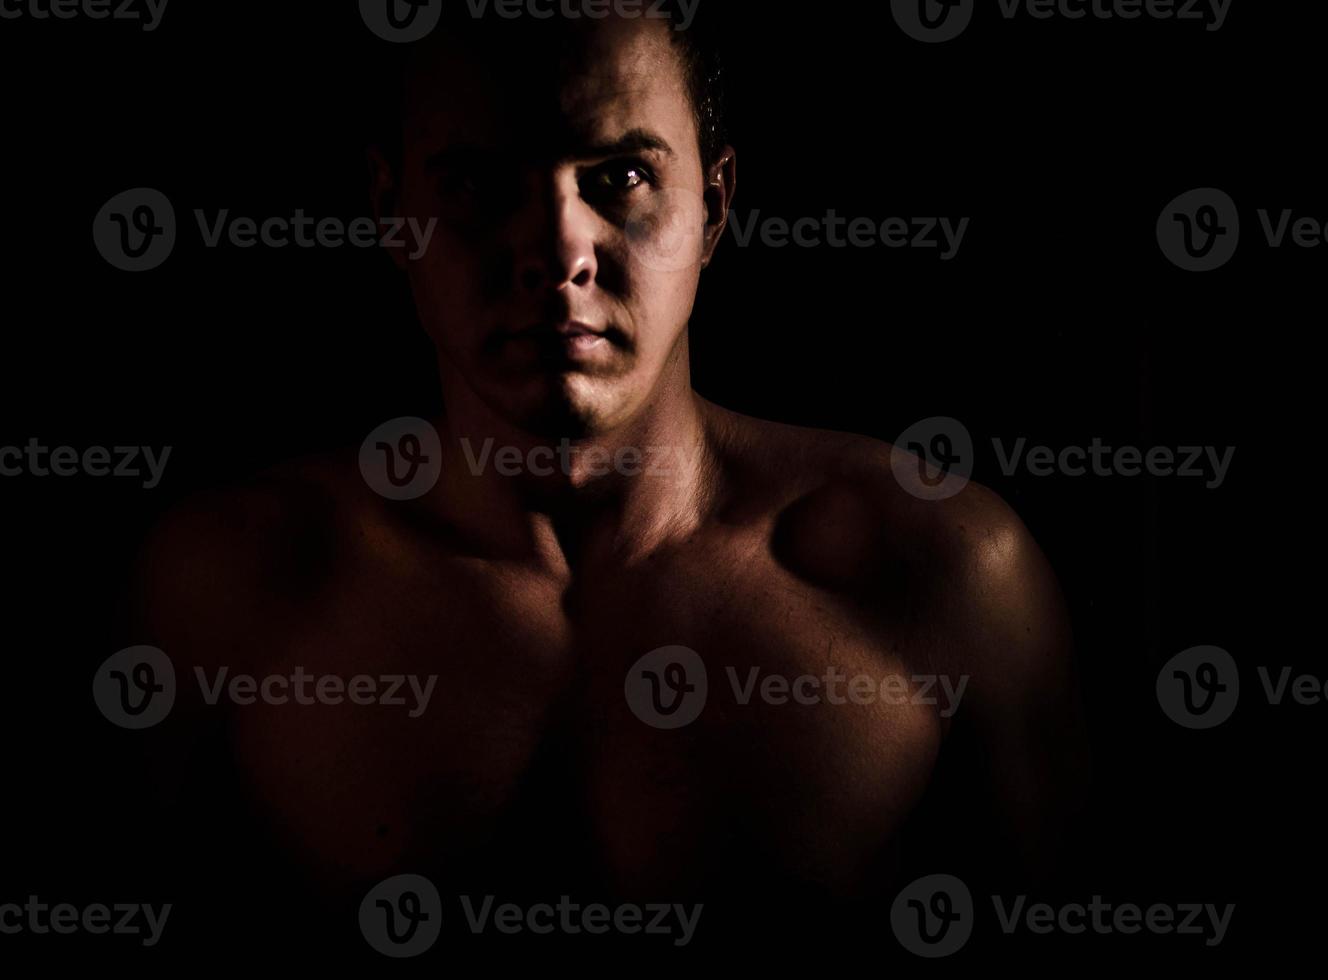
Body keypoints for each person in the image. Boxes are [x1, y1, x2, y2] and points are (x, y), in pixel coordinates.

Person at [123, 7, 1086, 956]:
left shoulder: (942, 573)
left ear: (713, 207)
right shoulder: (230, 592)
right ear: (391, 214)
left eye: (620, 176)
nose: (557, 253)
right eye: (477, 182)